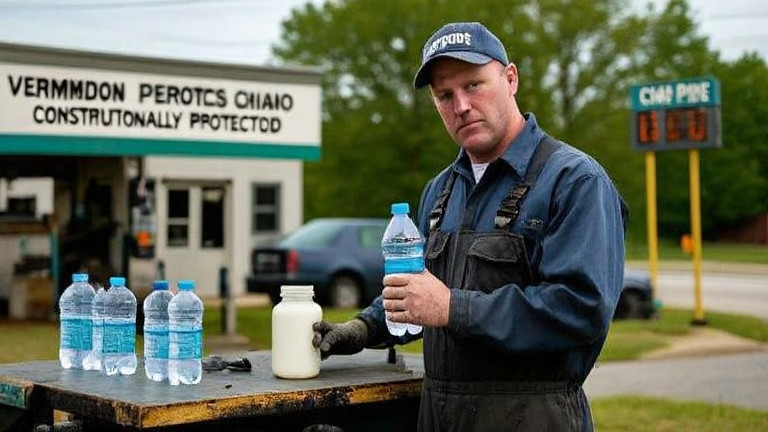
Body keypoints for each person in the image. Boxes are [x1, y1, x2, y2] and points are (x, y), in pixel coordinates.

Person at [312, 21, 628, 432]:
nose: (460, 105)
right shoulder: (440, 191)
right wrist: (362, 328)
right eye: (445, 95)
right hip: (439, 415)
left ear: (510, 79)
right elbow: (421, 291)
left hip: (533, 417)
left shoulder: (574, 181)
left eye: (474, 85)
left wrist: (451, 307)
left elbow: (580, 309)